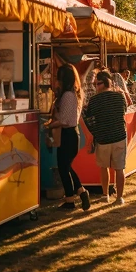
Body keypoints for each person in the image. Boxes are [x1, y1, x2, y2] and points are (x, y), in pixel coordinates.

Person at [46, 64, 91, 210]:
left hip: (67, 134)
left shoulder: (67, 96)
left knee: (64, 168)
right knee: (67, 167)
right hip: (72, 134)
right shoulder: (75, 93)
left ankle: (71, 200)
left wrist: (49, 125)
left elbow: (64, 121)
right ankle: (81, 193)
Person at [83, 71, 129, 205]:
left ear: (105, 83)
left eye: (98, 83)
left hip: (103, 138)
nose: (96, 86)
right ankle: (119, 197)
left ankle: (105, 195)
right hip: (119, 136)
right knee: (119, 168)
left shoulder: (94, 100)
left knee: (104, 167)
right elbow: (124, 110)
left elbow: (89, 114)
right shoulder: (119, 96)